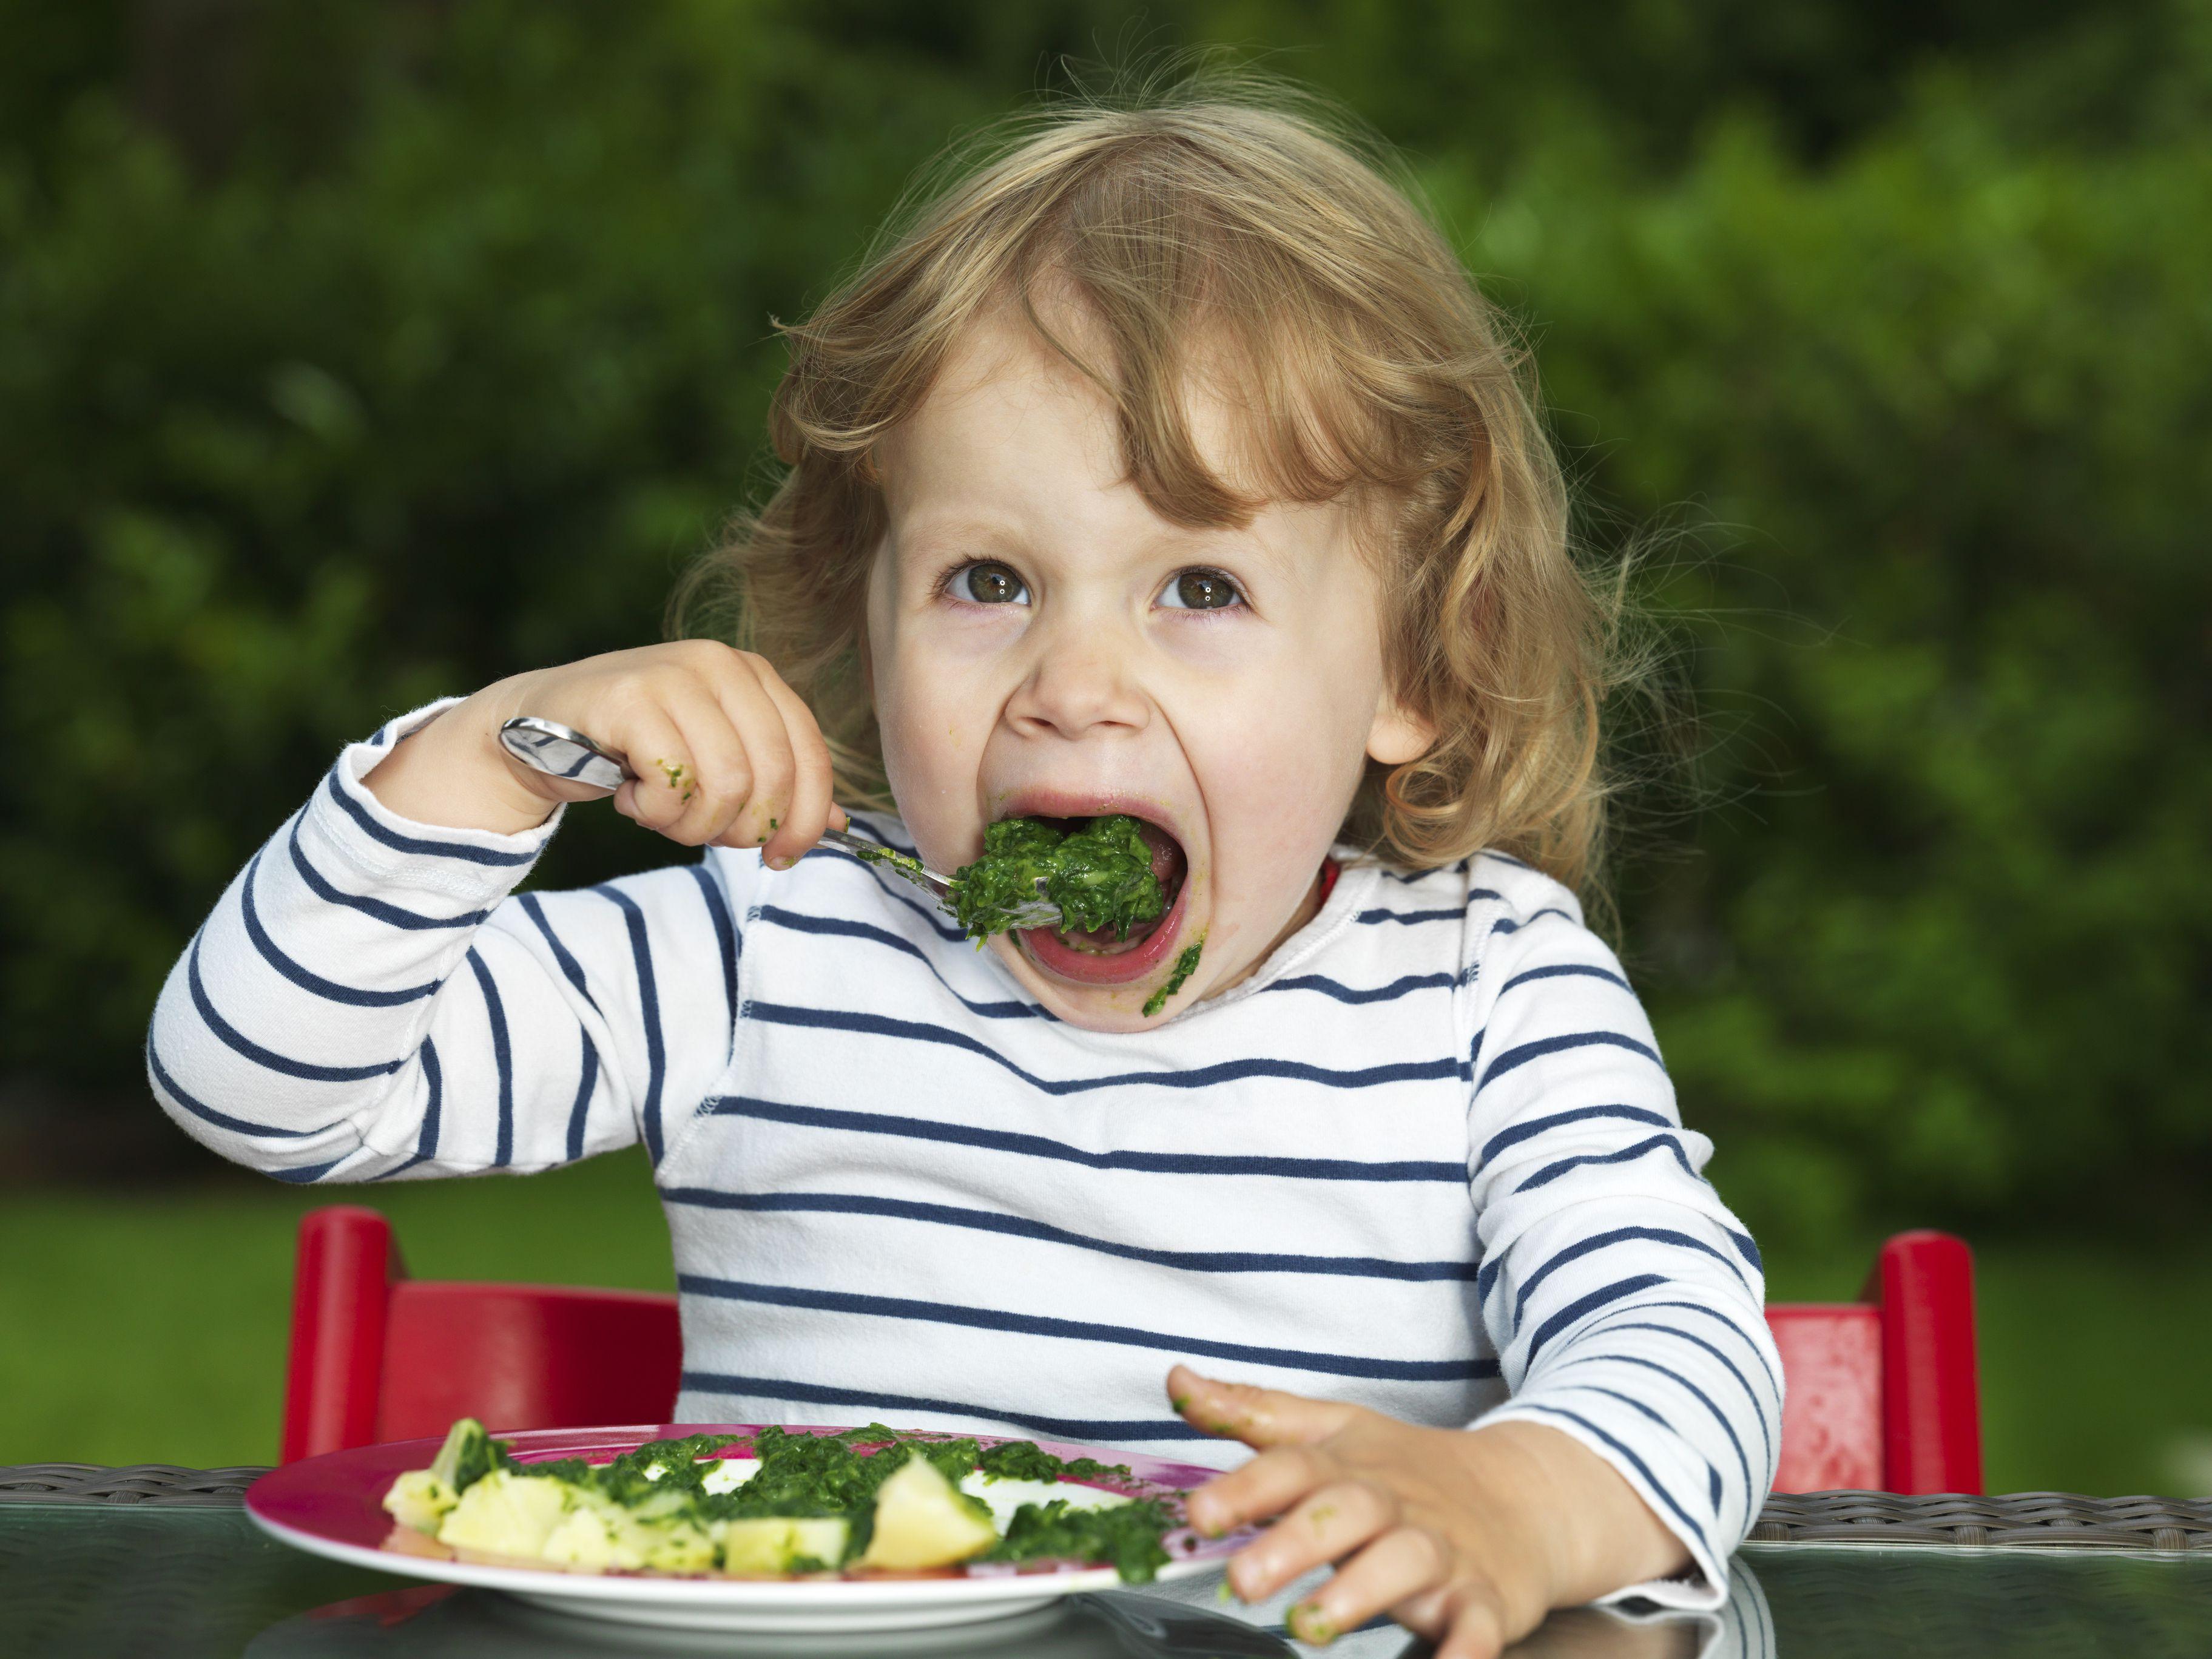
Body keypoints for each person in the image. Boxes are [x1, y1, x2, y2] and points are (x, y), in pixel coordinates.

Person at [149, 76, 1781, 1658]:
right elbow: (260, 1086)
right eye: (987, 578)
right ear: (870, 612)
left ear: (1416, 666)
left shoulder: (1490, 989)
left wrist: (1513, 1498)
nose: (1072, 682)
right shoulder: (773, 942)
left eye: (1199, 591)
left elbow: (1683, 1338)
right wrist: (486, 754)